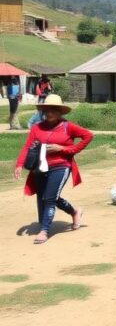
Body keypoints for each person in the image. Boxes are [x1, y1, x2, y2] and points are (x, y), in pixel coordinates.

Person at [14, 95, 93, 244]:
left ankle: (44, 231)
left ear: (60, 112)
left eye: (53, 110)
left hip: (61, 166)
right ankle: (75, 212)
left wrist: (65, 149)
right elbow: (28, 146)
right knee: (48, 196)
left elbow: (88, 136)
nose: (49, 113)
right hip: (41, 167)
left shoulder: (68, 126)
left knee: (49, 198)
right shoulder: (37, 127)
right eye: (46, 110)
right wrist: (19, 164)